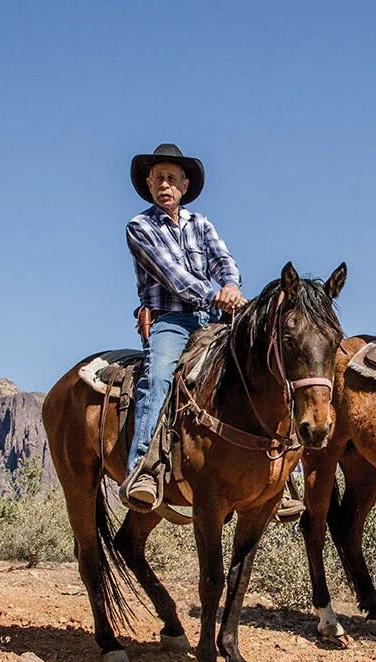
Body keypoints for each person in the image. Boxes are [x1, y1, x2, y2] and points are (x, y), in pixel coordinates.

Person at [120, 143, 246, 509]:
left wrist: (232, 287)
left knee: (258, 365)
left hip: (214, 318)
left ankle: (281, 475)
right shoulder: (140, 227)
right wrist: (215, 295)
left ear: (185, 185)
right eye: (158, 178)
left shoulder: (201, 223)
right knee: (158, 376)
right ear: (148, 183)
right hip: (171, 321)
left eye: (172, 178)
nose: (165, 184)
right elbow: (173, 277)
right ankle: (143, 468)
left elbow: (224, 260)